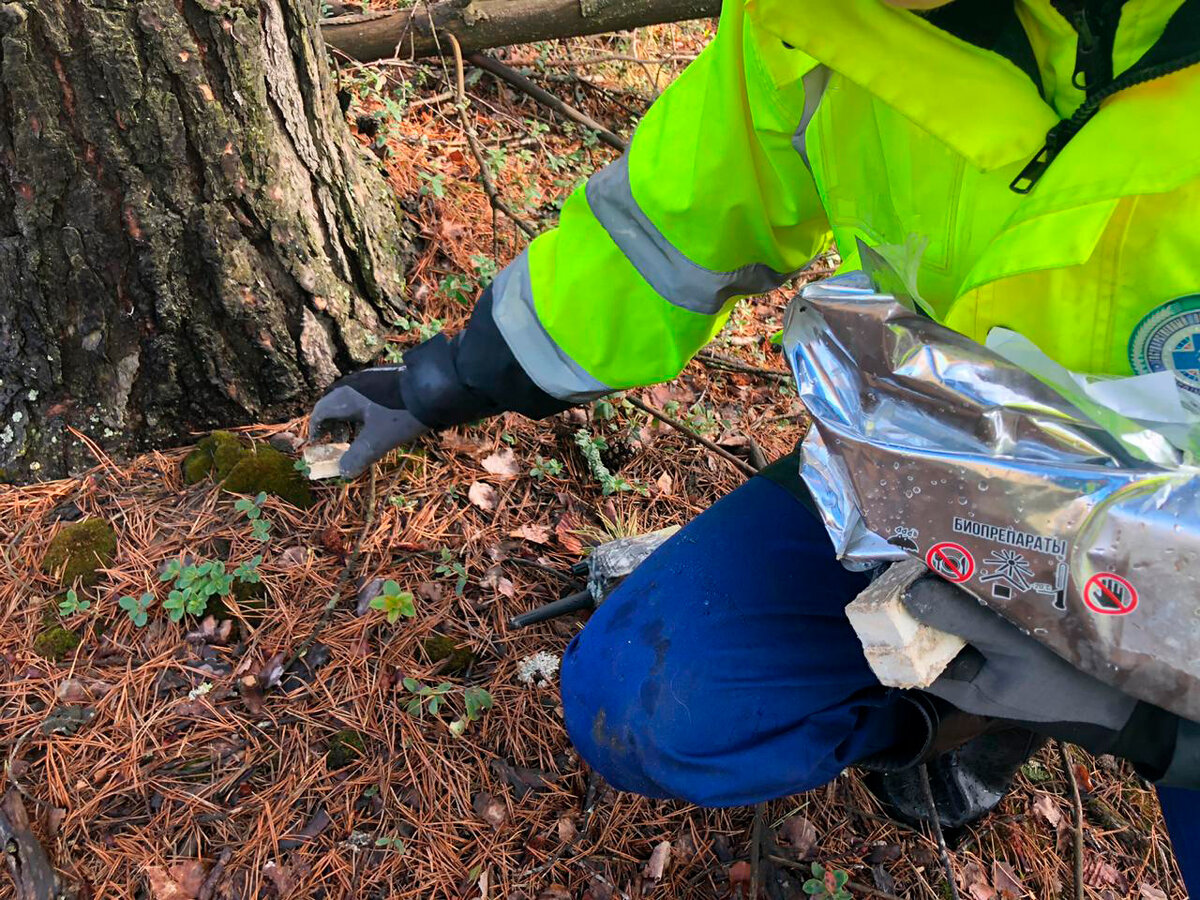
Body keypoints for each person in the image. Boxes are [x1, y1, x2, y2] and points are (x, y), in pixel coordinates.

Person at [310, 0, 1200, 887]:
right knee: (657, 694)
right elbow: (664, 232)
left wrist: (1153, 723)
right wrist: (439, 385)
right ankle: (965, 715)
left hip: (1183, 577)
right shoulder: (811, 15)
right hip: (936, 475)